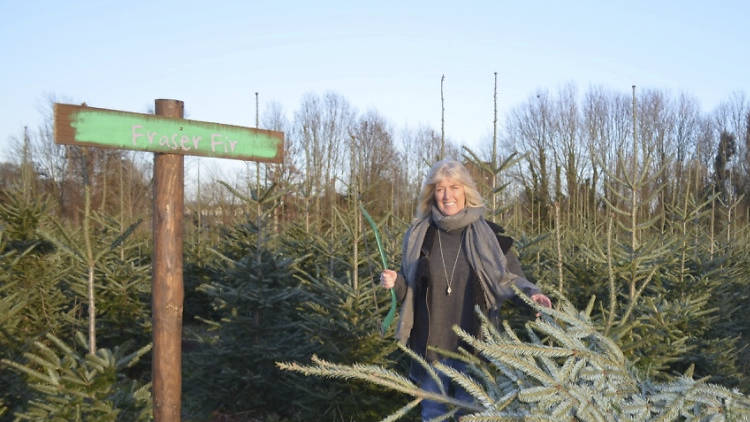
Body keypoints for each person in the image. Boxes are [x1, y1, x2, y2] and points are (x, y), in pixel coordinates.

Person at [379, 159, 551, 420]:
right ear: (431, 194)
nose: (447, 196)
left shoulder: (489, 236)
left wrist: (532, 295)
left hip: (473, 349)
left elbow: (509, 279)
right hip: (430, 350)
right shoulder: (420, 234)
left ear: (466, 191)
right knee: (433, 415)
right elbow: (409, 287)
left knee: (470, 416)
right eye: (439, 188)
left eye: (454, 187)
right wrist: (395, 281)